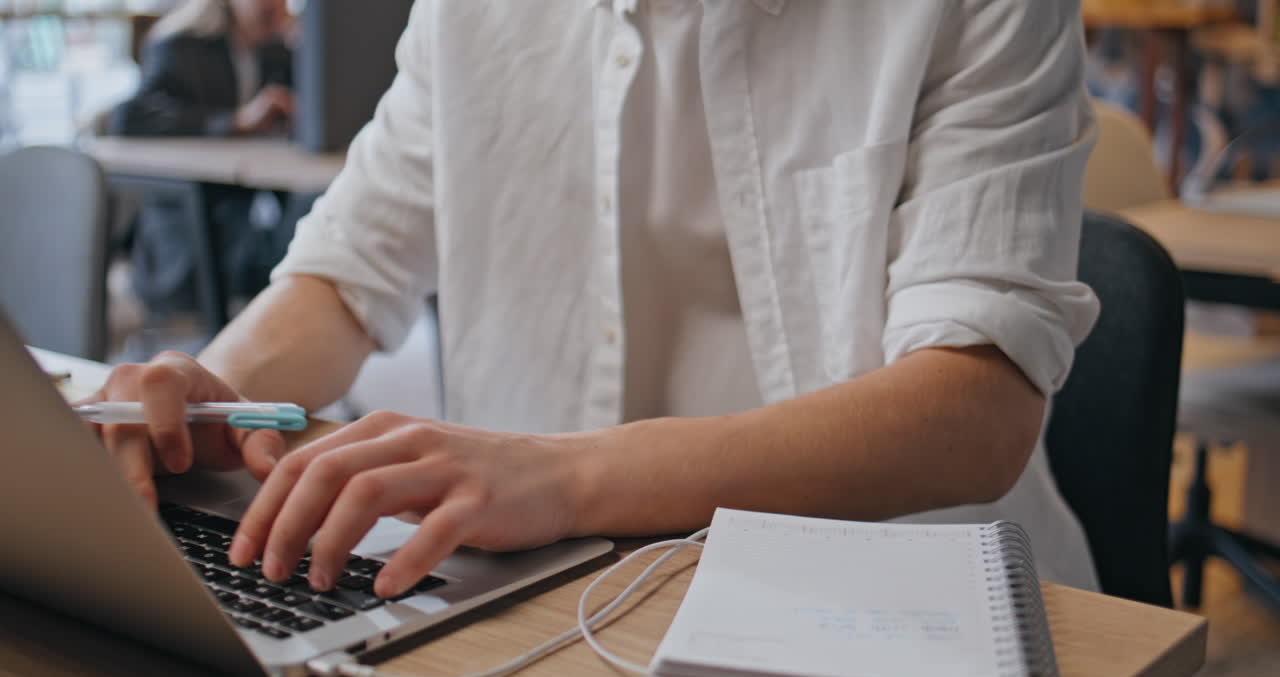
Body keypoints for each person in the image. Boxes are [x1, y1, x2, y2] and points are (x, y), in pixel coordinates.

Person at [88, 0, 1102, 601]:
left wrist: (563, 478)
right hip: (542, 610)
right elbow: (347, 273)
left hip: (897, 602)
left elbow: (973, 411)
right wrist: (212, 388)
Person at [107, 0, 295, 318]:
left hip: (244, 226)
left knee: (310, 220)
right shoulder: (181, 44)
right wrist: (233, 122)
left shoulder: (275, 50)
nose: (271, 4)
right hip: (186, 236)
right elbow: (128, 118)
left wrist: (301, 45)